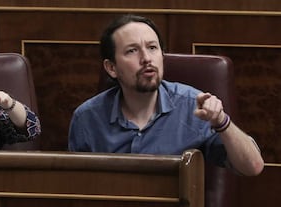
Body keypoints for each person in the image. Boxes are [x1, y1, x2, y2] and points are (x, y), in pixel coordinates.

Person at [68, 14, 264, 176]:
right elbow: (78, 187)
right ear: (111, 68)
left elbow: (253, 167)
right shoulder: (87, 118)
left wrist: (222, 122)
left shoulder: (194, 107)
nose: (146, 58)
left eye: (152, 48)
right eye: (132, 51)